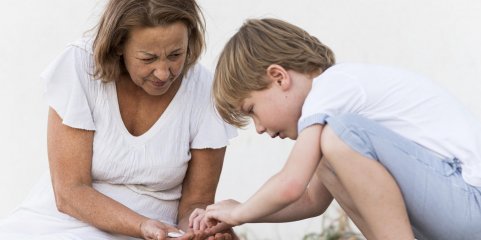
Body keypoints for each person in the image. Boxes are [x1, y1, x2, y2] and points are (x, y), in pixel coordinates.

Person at [188, 18, 481, 239]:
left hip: (471, 201)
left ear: (278, 77)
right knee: (329, 155)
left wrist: (239, 213)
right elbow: (310, 199)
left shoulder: (332, 87)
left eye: (252, 111)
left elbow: (291, 184)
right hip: (455, 209)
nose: (260, 128)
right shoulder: (333, 103)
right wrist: (243, 211)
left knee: (339, 135)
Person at [0, 0, 238, 239]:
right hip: (57, 223)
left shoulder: (204, 90)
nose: (164, 73)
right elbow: (70, 191)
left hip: (157, 234)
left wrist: (199, 232)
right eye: (148, 58)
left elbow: (195, 204)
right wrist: (141, 225)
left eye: (176, 55)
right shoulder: (80, 66)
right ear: (118, 45)